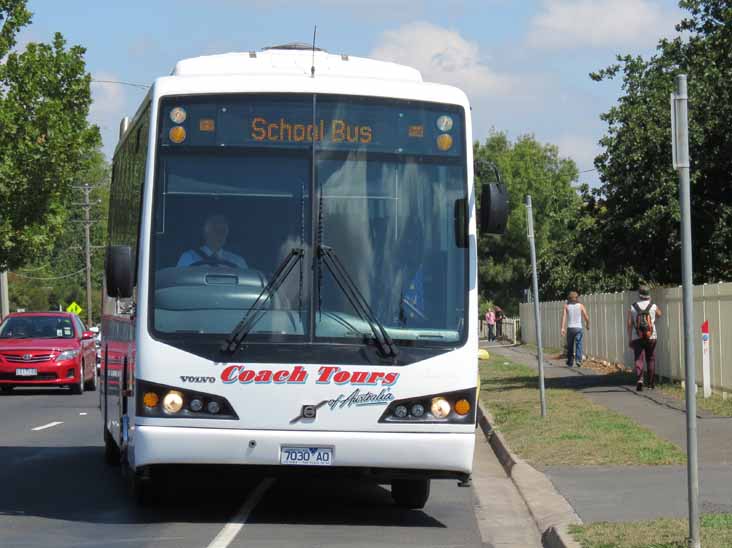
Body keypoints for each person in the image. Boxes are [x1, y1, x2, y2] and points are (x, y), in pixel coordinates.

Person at [177, 214, 248, 269]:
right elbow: (179, 284)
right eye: (215, 230)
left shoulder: (238, 262)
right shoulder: (188, 258)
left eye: (223, 231)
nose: (219, 235)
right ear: (205, 232)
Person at [627, 285, 662, 391]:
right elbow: (660, 314)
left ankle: (640, 380)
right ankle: (651, 383)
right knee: (650, 358)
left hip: (637, 336)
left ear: (639, 295)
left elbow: (629, 324)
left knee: (639, 358)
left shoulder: (633, 307)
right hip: (651, 336)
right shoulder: (653, 306)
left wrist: (630, 338)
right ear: (648, 295)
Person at [560, 291, 590, 367]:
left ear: (569, 298)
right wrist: (587, 324)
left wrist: (562, 328)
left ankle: (570, 361)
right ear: (577, 298)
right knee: (578, 344)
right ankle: (578, 360)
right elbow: (586, 316)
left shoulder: (566, 306)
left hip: (570, 328)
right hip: (578, 328)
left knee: (570, 346)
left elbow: (564, 317)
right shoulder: (581, 306)